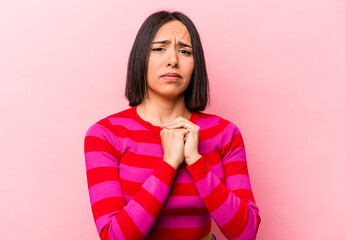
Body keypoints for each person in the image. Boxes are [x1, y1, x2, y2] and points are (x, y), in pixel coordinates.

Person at [84, 10, 261, 240]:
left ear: (195, 64)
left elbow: (245, 233)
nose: (173, 60)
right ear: (140, 59)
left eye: (185, 51)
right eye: (159, 48)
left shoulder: (225, 133)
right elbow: (114, 237)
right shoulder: (105, 135)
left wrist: (196, 161)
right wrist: (169, 163)